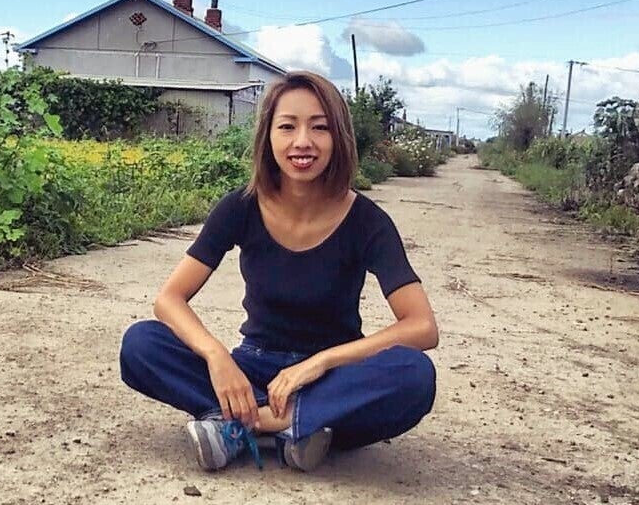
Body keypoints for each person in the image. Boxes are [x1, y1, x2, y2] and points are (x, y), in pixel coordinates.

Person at [119, 70, 438, 473]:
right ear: (268, 136)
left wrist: (321, 362)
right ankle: (299, 428)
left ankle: (245, 425)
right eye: (287, 126)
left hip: (334, 380)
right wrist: (217, 357)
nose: (302, 141)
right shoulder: (240, 207)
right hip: (253, 367)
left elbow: (422, 327)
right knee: (141, 344)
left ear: (339, 137)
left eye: (319, 127)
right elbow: (169, 299)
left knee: (413, 375)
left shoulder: (367, 222)